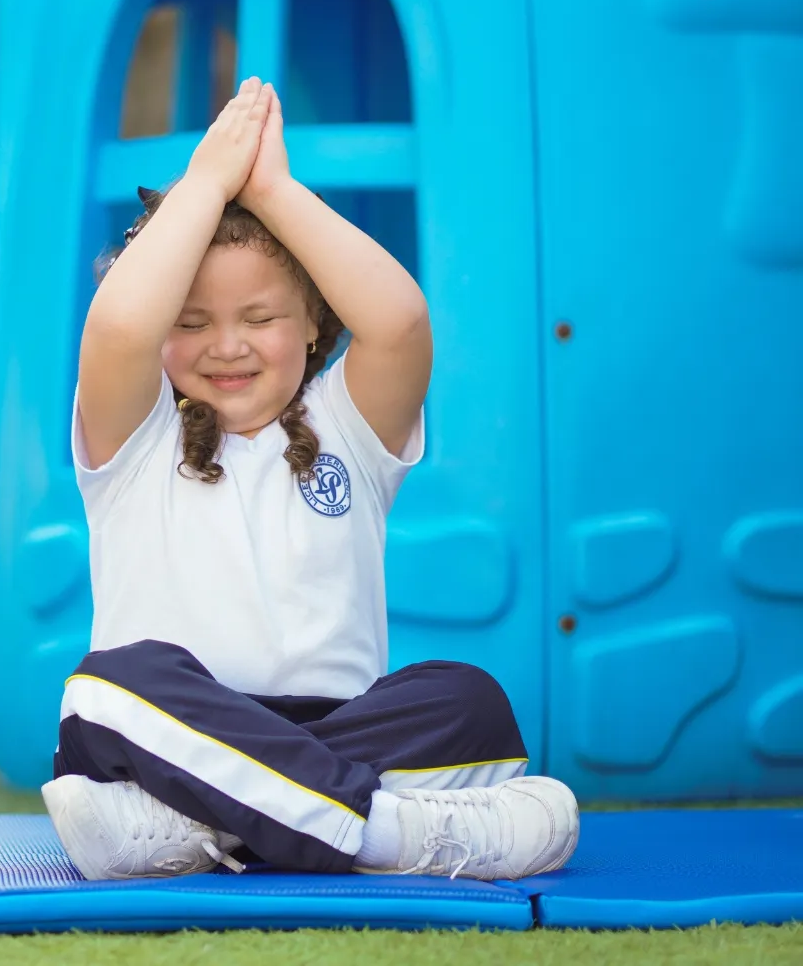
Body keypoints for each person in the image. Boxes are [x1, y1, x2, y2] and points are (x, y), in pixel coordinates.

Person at [46, 79, 578, 881]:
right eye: (190, 324)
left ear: (314, 323)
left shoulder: (349, 431)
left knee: (473, 704)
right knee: (105, 691)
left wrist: (274, 192)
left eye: (259, 319)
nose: (227, 346)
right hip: (165, 728)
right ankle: (390, 837)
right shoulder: (137, 438)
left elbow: (398, 322)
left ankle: (213, 825)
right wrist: (204, 186)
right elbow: (119, 326)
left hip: (337, 730)